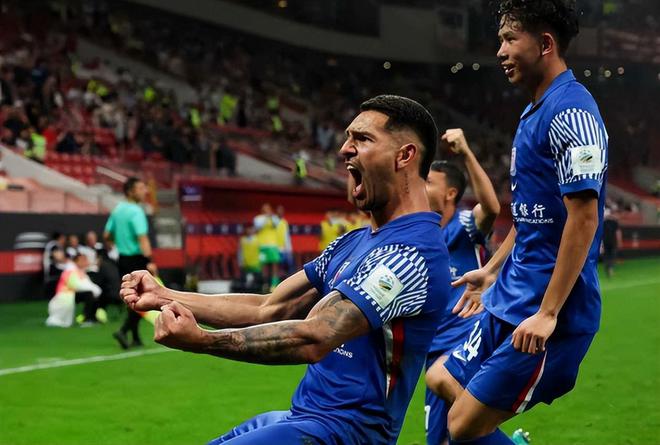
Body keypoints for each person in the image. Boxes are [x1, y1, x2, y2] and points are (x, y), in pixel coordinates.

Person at [119, 95, 451, 445]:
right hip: (304, 419)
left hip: (345, 434)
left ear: (404, 155)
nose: (344, 149)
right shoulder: (353, 241)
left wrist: (202, 341)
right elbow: (269, 307)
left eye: (363, 138)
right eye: (347, 137)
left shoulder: (413, 254)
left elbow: (316, 336)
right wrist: (163, 295)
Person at [425, 2, 609, 444]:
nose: (500, 51)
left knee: (462, 424)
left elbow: (584, 217)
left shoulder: (572, 112)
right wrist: (491, 270)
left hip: (550, 314)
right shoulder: (532, 114)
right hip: (509, 296)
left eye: (510, 39)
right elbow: (530, 217)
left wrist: (548, 313)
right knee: (440, 379)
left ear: (545, 44)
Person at [424, 129, 500, 445]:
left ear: (450, 193)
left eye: (429, 182)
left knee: (465, 425)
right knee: (442, 439)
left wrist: (466, 152)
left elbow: (491, 208)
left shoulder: (464, 226)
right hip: (431, 349)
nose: (422, 185)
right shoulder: (421, 234)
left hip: (464, 340)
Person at [104, 177, 156, 349]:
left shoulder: (117, 210)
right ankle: (123, 330)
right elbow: (142, 238)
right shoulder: (136, 211)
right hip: (137, 259)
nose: (145, 191)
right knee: (143, 298)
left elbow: (107, 235)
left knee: (131, 297)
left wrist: (118, 245)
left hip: (123, 259)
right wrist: (149, 261)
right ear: (131, 191)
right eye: (141, 188)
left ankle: (135, 337)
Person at [45, 253, 102, 328]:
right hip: (66, 295)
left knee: (92, 295)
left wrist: (96, 290)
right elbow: (75, 285)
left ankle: (92, 318)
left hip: (74, 294)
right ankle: (87, 319)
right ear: (76, 261)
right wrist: (94, 290)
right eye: (83, 260)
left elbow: (88, 284)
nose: (86, 262)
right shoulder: (70, 270)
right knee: (89, 294)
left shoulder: (81, 271)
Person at [253, 203, 281, 291]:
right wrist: (266, 217)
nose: (267, 210)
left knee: (274, 265)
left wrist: (271, 217)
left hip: (273, 245)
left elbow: (276, 224)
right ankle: (265, 284)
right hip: (263, 246)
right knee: (264, 267)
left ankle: (274, 284)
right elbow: (258, 227)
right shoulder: (258, 218)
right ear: (262, 210)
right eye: (265, 209)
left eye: (268, 208)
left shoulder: (274, 218)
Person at [602, 207, 622, 278]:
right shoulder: (614, 222)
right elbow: (618, 233)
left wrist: (601, 244)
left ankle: (607, 268)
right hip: (613, 241)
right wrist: (619, 242)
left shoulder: (602, 223)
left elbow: (600, 234)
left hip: (605, 241)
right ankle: (610, 269)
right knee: (612, 255)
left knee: (606, 256)